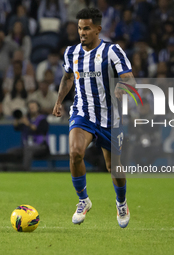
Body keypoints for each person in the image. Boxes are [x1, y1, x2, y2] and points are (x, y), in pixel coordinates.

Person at [52, 8, 132, 228]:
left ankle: (121, 202)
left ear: (98, 29)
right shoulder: (71, 52)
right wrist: (59, 101)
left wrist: (122, 88)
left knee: (114, 167)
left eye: (86, 28)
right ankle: (83, 200)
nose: (82, 32)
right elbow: (68, 78)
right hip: (82, 112)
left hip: (110, 117)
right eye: (79, 28)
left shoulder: (113, 51)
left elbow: (129, 78)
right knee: (75, 153)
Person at [11, 100, 50, 171]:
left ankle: (25, 170)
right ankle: (13, 170)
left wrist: (28, 124)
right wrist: (17, 118)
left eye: (33, 107)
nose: (31, 109)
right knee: (12, 152)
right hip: (27, 147)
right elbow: (16, 128)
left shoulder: (42, 119)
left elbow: (41, 130)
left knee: (28, 149)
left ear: (38, 108)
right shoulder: (26, 119)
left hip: (41, 147)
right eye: (30, 108)